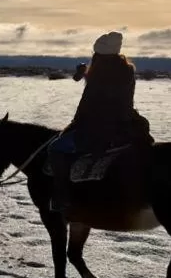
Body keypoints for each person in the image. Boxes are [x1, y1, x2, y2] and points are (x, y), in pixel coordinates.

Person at [49, 32, 152, 212]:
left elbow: (90, 104)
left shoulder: (100, 73)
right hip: (124, 123)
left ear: (100, 56)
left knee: (56, 148)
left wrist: (75, 124)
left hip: (99, 128)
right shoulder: (125, 70)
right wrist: (86, 74)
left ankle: (62, 196)